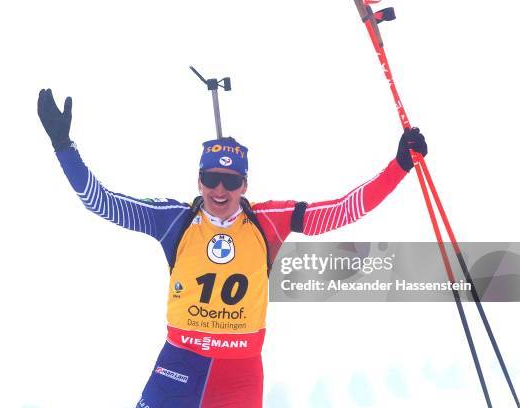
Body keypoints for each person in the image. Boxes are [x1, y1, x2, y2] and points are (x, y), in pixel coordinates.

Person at [37, 88, 428, 408]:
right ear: (199, 179)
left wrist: (398, 166)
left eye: (229, 180)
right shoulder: (175, 219)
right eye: (211, 178)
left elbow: (340, 211)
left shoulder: (266, 221)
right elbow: (102, 203)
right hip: (180, 362)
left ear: (245, 184)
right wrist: (63, 146)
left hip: (239, 374)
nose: (219, 190)